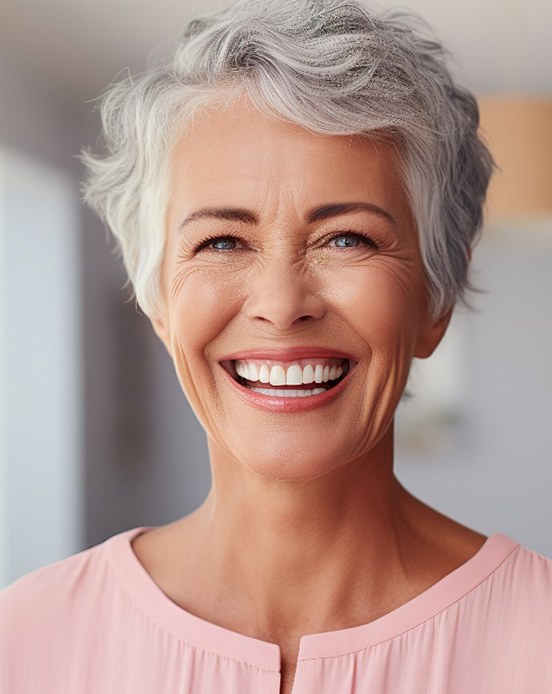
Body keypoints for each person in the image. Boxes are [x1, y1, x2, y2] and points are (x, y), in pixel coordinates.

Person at [1, 0, 551, 692]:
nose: (282, 306)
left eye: (346, 238)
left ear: (436, 300)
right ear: (158, 299)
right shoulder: (27, 638)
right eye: (222, 241)